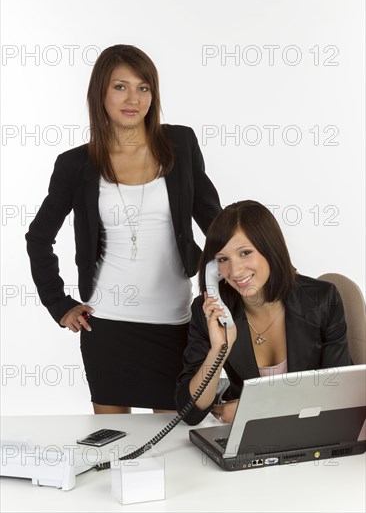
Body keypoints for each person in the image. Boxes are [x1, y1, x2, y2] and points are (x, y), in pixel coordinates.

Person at [25, 44, 222, 414]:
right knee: (115, 447)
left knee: (172, 445)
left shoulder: (181, 144)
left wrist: (249, 269)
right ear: (100, 92)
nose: (133, 98)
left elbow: (216, 224)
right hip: (108, 327)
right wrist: (59, 304)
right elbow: (38, 238)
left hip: (174, 321)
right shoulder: (75, 165)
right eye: (120, 86)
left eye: (144, 87)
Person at [175, 200, 352, 425]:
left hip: (314, 430)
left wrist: (255, 410)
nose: (235, 271)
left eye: (245, 252)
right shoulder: (209, 311)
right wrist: (219, 349)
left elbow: (339, 394)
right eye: (222, 259)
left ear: (269, 248)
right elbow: (190, 412)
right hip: (250, 441)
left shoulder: (322, 300)